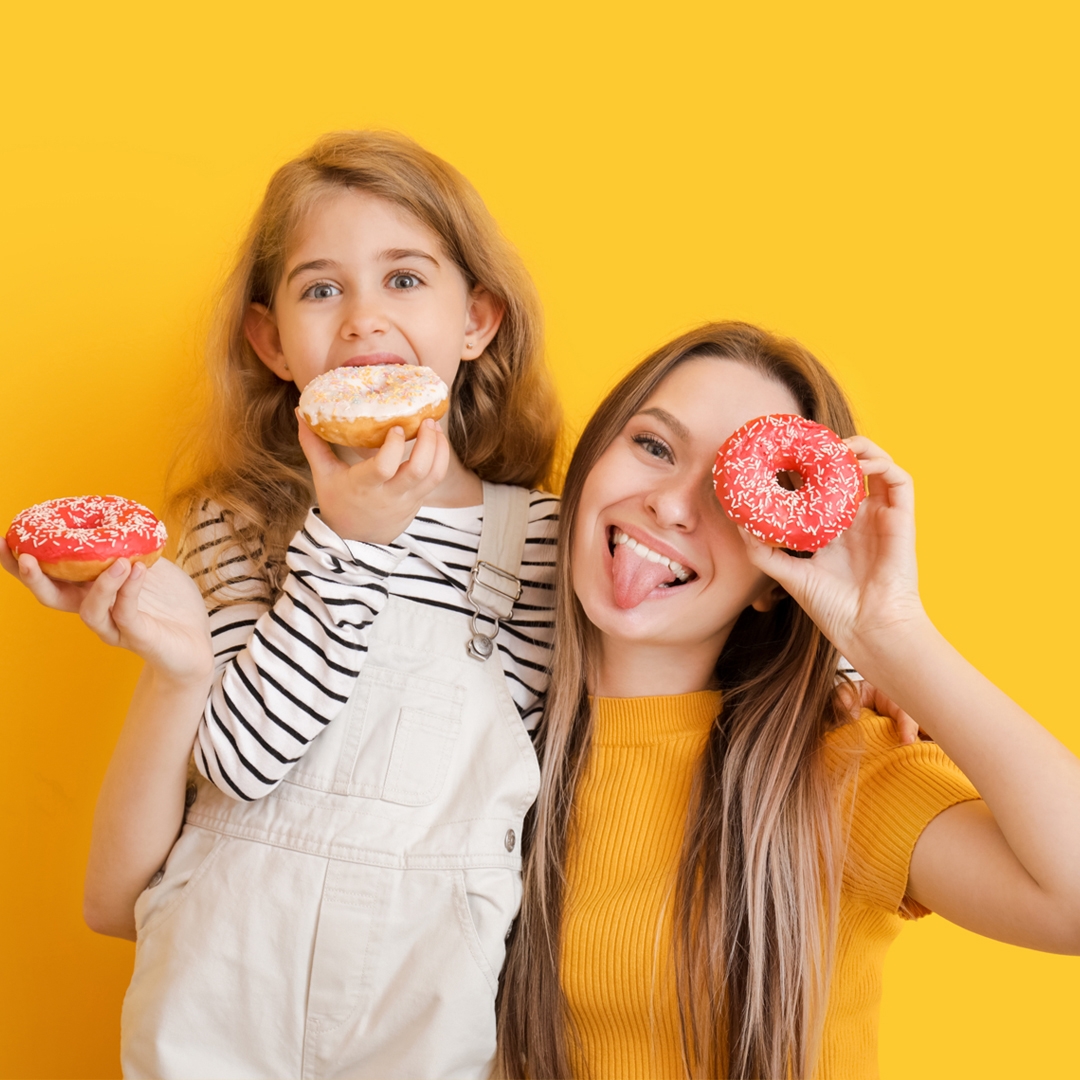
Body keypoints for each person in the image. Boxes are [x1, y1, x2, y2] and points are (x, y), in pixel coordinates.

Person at [2, 130, 563, 1079]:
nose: (361, 320)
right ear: (271, 343)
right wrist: (344, 544)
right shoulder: (237, 528)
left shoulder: (544, 545)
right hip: (219, 992)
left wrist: (837, 669)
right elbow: (242, 762)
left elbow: (668, 671)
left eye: (404, 278)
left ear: (478, 320)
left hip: (425, 1008)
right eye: (320, 288)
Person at [494, 321, 1080, 1080]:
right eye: (654, 446)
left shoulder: (836, 774)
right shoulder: (482, 736)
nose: (672, 506)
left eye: (724, 491)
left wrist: (893, 637)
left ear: (777, 576)